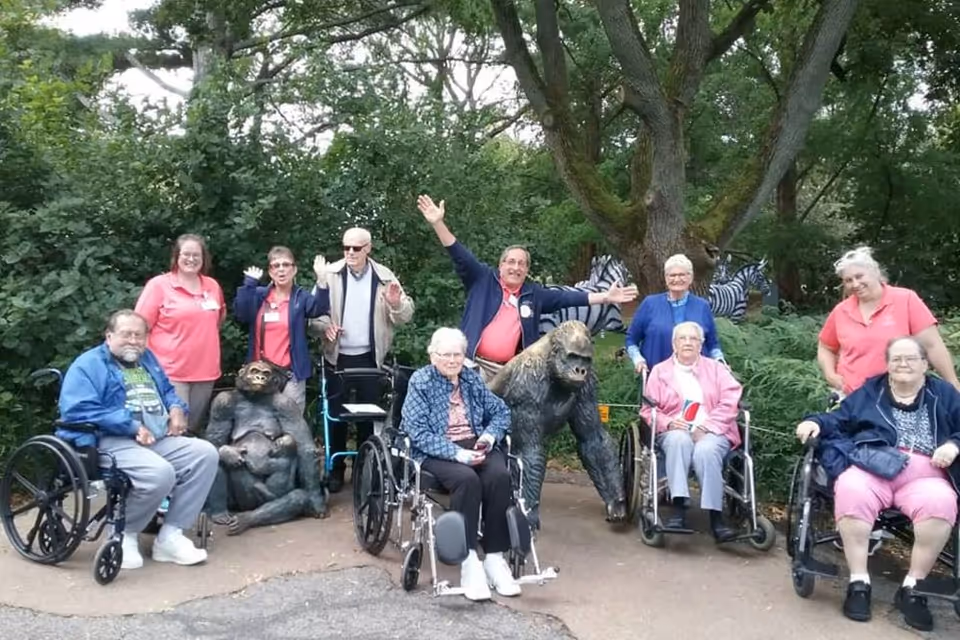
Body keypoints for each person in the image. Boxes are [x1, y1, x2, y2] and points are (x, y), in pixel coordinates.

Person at [796, 336, 960, 631]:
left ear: (925, 363)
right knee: (851, 489)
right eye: (896, 358)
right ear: (887, 364)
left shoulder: (944, 393)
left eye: (911, 358)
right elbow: (841, 418)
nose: (903, 364)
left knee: (942, 503)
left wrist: (953, 445)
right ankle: (859, 581)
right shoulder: (872, 390)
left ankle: (913, 587)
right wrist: (815, 422)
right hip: (874, 465)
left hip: (926, 472)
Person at [57, 310, 219, 570]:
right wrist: (130, 425)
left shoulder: (148, 360)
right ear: (109, 336)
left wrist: (177, 409)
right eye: (126, 334)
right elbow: (78, 409)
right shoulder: (88, 364)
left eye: (139, 335)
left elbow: (167, 391)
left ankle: (170, 536)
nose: (133, 341)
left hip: (156, 437)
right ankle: (124, 534)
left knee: (206, 453)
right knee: (160, 473)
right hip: (109, 440)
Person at [417, 194, 638, 382]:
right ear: (501, 265)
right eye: (511, 262)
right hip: (473, 364)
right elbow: (458, 253)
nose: (515, 267)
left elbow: (569, 299)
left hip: (511, 370)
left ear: (527, 269)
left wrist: (606, 297)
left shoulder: (533, 295)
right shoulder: (483, 279)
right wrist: (438, 223)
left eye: (521, 264)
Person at [401, 327, 518, 601]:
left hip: (474, 443)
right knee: (467, 479)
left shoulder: (470, 379)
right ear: (433, 356)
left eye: (458, 354)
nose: (453, 360)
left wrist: (489, 437)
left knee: (500, 476)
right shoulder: (421, 382)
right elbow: (416, 432)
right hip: (437, 450)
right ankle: (468, 561)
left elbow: (501, 411)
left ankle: (494, 556)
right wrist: (456, 454)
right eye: (446, 355)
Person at [307, 227, 414, 493]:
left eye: (356, 248)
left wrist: (395, 303)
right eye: (346, 248)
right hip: (336, 356)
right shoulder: (329, 273)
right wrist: (324, 328)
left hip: (370, 358)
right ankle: (336, 470)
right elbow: (311, 315)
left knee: (368, 416)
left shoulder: (384, 276)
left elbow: (405, 315)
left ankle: (365, 468)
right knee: (337, 415)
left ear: (368, 248)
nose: (350, 253)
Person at [639, 321, 742, 541]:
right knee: (678, 440)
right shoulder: (659, 372)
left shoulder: (716, 369)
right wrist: (667, 422)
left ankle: (716, 519)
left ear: (701, 344)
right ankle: (679, 509)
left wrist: (707, 426)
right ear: (674, 344)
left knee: (706, 450)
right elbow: (648, 410)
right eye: (682, 338)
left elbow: (731, 399)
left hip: (713, 430)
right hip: (675, 430)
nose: (687, 342)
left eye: (693, 339)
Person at [818, 246, 960, 396]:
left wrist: (953, 384)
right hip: (852, 397)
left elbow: (932, 345)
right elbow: (825, 346)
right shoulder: (841, 311)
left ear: (875, 272)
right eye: (848, 280)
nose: (855, 284)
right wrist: (831, 375)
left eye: (859, 276)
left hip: (900, 395)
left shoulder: (905, 299)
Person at [135, 234, 226, 434]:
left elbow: (218, 319)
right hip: (170, 371)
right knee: (175, 429)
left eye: (197, 255)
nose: (191, 259)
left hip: (206, 370)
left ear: (204, 258)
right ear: (176, 256)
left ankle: (191, 465)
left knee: (192, 429)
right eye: (186, 254)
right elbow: (138, 327)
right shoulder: (159, 285)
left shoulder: (212, 286)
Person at [235, 246, 330, 413]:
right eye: (275, 265)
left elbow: (319, 309)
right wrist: (249, 285)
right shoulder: (259, 295)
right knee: (259, 422)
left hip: (291, 374)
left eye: (286, 265)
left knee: (290, 425)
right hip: (260, 373)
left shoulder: (301, 297)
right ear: (270, 272)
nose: (281, 270)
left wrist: (322, 282)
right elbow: (242, 313)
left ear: (294, 270)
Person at [626, 254, 724, 375]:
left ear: (691, 278)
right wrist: (638, 360)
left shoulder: (702, 306)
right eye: (672, 275)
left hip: (698, 379)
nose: (677, 279)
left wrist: (720, 362)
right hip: (657, 379)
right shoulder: (649, 304)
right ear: (666, 278)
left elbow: (713, 344)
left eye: (682, 275)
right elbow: (631, 340)